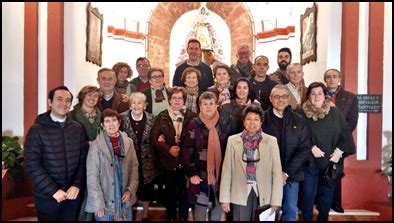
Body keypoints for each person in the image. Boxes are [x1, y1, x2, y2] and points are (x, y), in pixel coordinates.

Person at [24, 86, 89, 221]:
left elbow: (83, 160)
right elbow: (31, 164)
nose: (64, 103)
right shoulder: (37, 130)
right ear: (50, 102)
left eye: (68, 100)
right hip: (47, 196)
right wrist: (52, 190)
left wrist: (77, 185)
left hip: (72, 194)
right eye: (59, 99)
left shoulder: (78, 129)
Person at [299, 82, 355, 221]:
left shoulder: (334, 112)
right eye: (313, 93)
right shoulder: (300, 113)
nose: (316, 96)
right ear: (308, 96)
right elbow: (297, 136)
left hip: (330, 163)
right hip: (309, 162)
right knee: (308, 196)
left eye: (320, 93)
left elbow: (345, 133)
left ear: (325, 96)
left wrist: (340, 151)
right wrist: (311, 147)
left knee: (326, 198)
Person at [220, 103, 283, 221]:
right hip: (239, 192)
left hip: (264, 193)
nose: (252, 122)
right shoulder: (232, 141)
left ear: (261, 122)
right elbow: (227, 171)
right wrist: (224, 198)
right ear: (243, 122)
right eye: (248, 119)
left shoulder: (271, 141)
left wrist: (276, 200)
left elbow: (277, 173)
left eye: (256, 119)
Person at [263, 84, 311, 221]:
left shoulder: (299, 119)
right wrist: (274, 172)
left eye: (284, 96)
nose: (280, 100)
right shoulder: (262, 118)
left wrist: (286, 173)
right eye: (277, 97)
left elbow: (304, 148)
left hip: (292, 175)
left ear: (289, 98)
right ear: (271, 99)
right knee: (268, 211)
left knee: (290, 209)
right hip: (268, 175)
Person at [182, 91, 229, 221]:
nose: (208, 106)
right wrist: (192, 173)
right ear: (200, 106)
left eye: (211, 103)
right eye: (205, 104)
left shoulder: (223, 122)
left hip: (220, 171)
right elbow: (187, 149)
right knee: (200, 204)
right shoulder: (194, 123)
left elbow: (227, 147)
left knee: (220, 201)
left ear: (216, 105)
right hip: (200, 170)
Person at [151, 87, 197, 221]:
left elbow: (195, 139)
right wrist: (167, 148)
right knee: (170, 195)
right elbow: (154, 138)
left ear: (184, 100)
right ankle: (170, 218)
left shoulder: (191, 116)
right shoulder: (162, 116)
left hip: (186, 163)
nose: (177, 101)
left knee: (184, 195)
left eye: (180, 98)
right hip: (168, 163)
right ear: (169, 100)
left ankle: (183, 218)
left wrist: (181, 150)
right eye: (174, 98)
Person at [85, 109, 139, 221]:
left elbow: (134, 168)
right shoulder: (96, 146)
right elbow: (92, 176)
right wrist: (98, 203)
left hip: (125, 199)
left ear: (119, 123)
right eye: (107, 121)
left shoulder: (128, 142)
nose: (111, 124)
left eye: (114, 120)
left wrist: (130, 190)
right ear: (102, 125)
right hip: (104, 201)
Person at [324, 68, 358, 213]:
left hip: (340, 141)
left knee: (336, 172)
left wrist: (340, 139)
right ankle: (322, 202)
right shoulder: (319, 94)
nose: (331, 79)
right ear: (325, 80)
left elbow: (352, 121)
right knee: (322, 171)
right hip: (323, 140)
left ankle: (335, 202)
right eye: (328, 77)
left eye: (334, 77)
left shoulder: (350, 97)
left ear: (340, 79)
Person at [120, 92, 159, 221]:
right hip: (128, 161)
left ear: (145, 105)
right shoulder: (121, 118)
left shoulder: (152, 118)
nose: (136, 105)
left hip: (147, 161)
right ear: (130, 105)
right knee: (129, 186)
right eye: (134, 103)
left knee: (146, 187)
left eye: (139, 102)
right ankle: (130, 213)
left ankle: (145, 213)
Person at [70, 85, 102, 221]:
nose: (92, 98)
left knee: (93, 190)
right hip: (78, 158)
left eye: (95, 96)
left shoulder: (102, 114)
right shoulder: (71, 115)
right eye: (89, 95)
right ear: (82, 96)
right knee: (80, 190)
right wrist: (86, 143)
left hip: (96, 158)